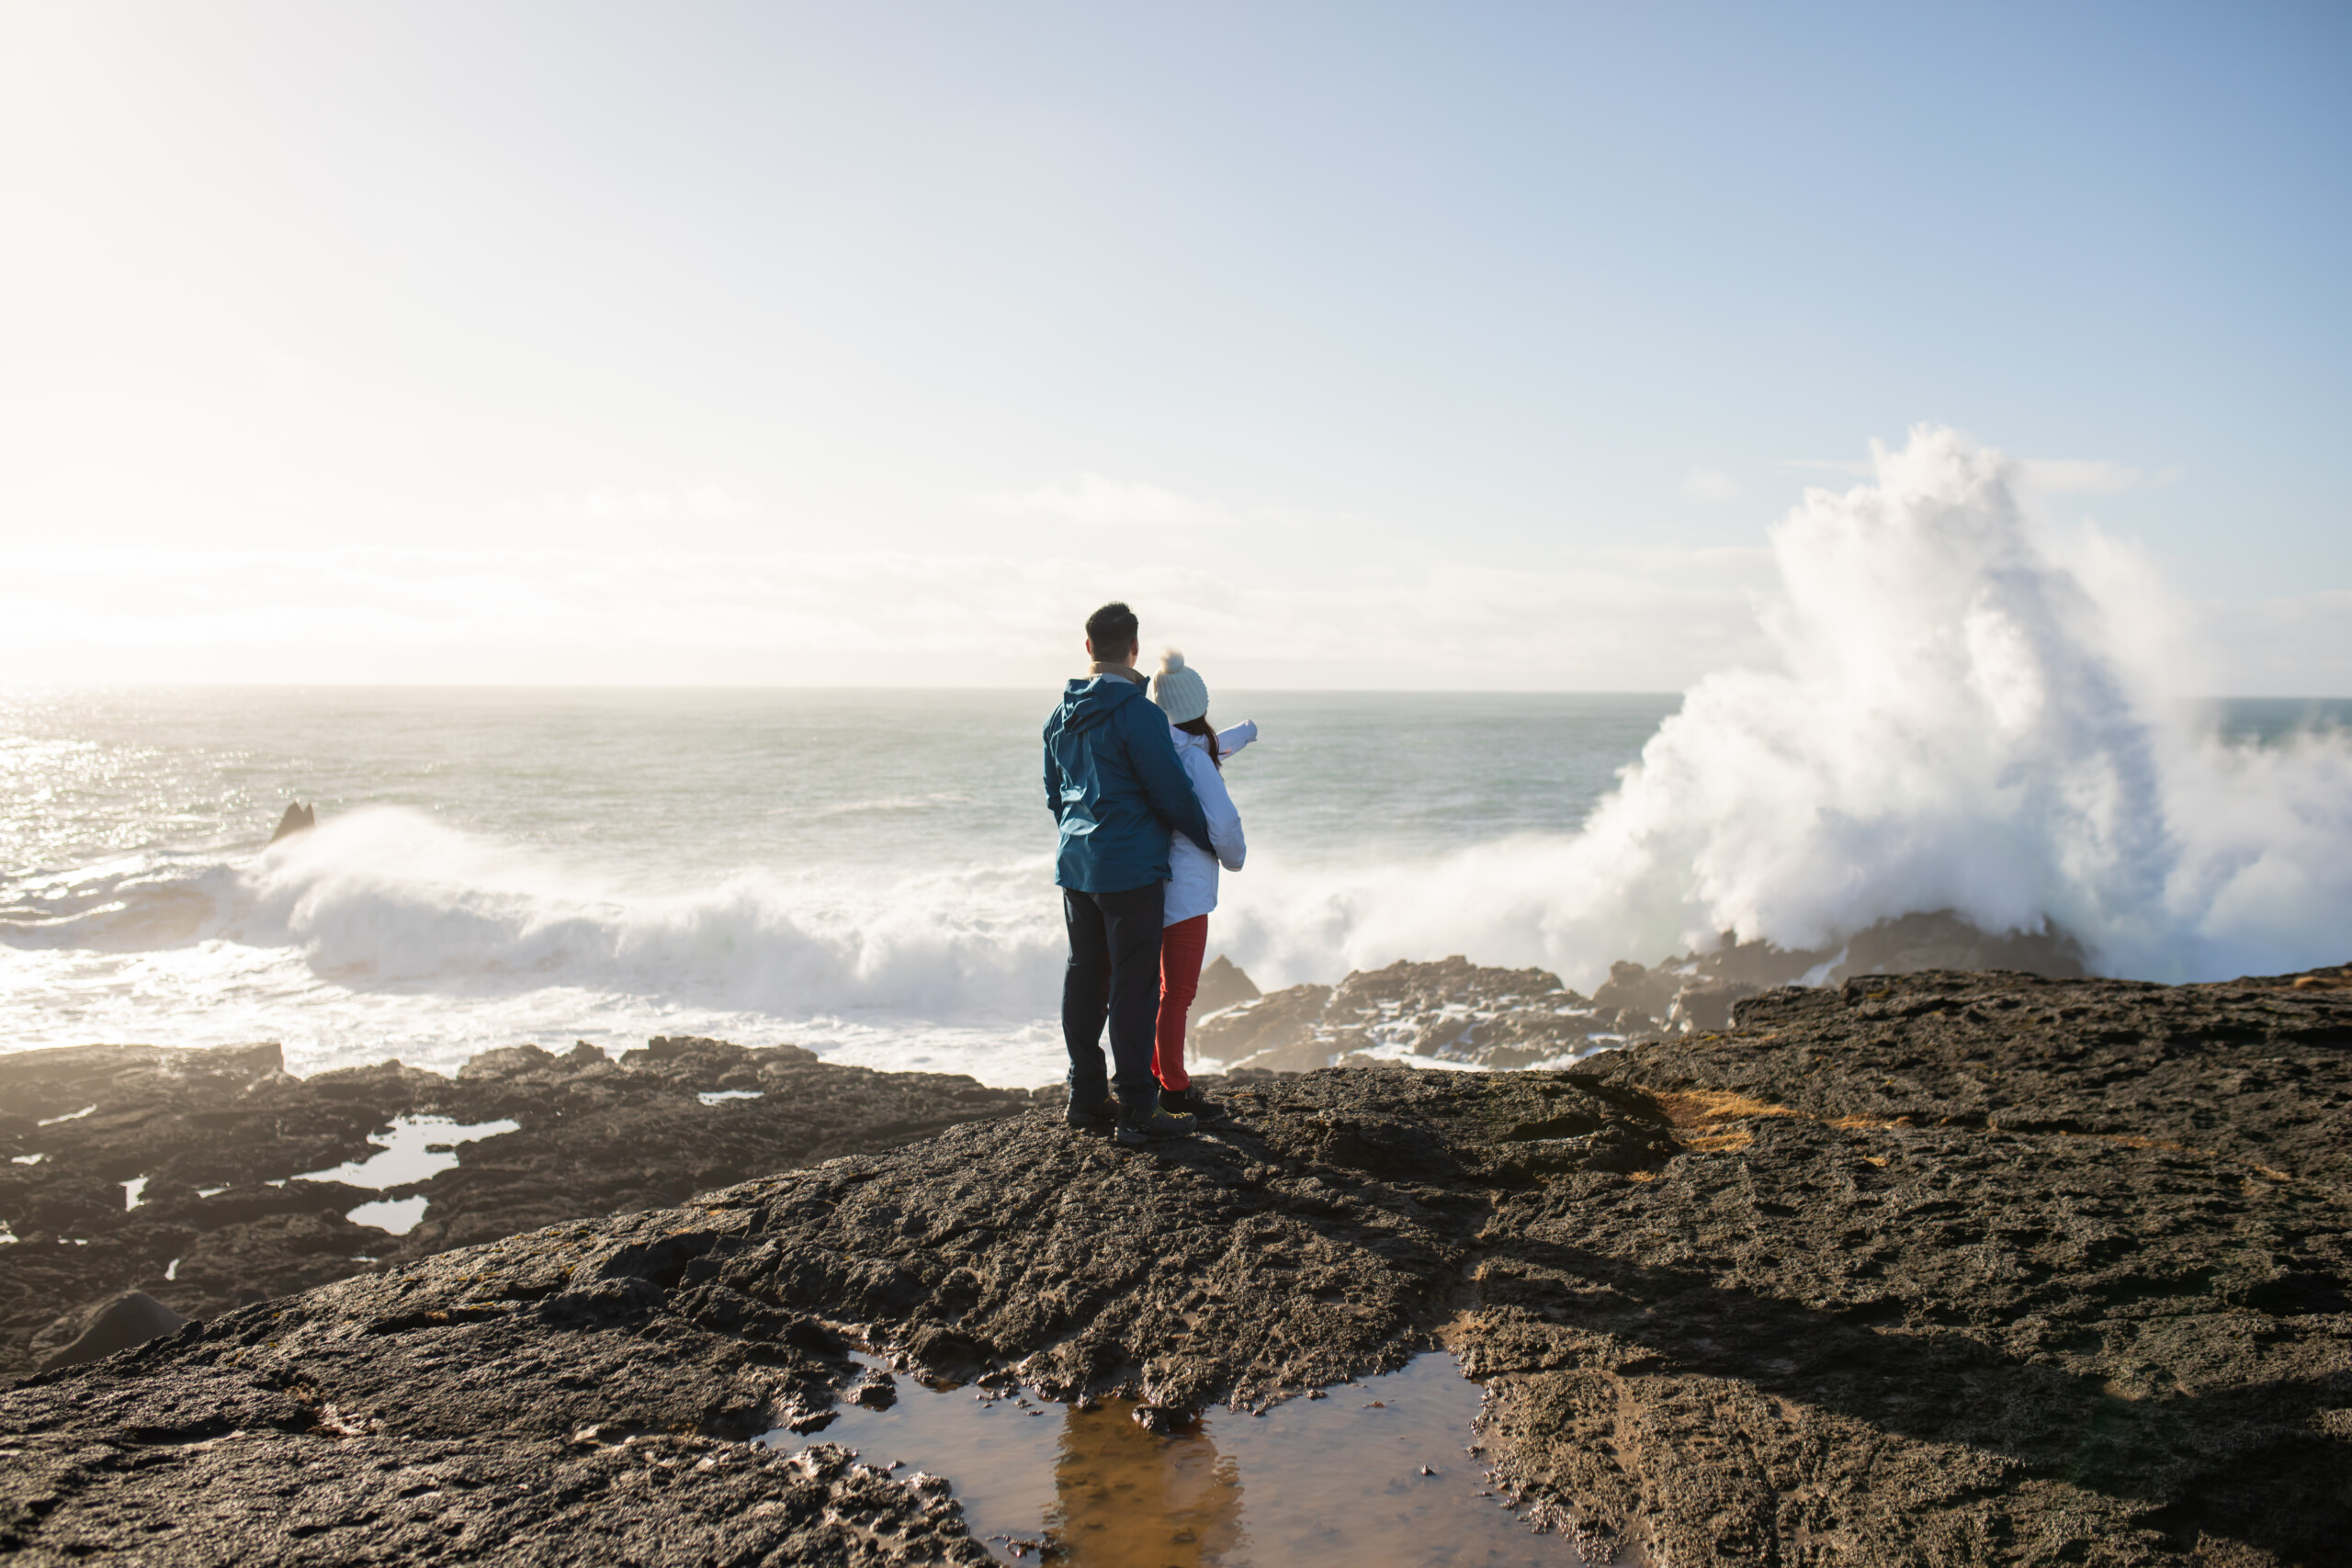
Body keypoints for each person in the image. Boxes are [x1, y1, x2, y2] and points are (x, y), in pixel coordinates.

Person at [1043, 603, 1216, 1146]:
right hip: (1131, 870)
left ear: (1088, 648)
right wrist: (1208, 840)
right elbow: (1171, 793)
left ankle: (1085, 1094)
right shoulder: (1140, 716)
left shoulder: (1060, 716)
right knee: (1135, 985)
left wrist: (1081, 837)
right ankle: (1139, 1106)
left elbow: (1056, 795)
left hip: (1077, 867)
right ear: (1134, 650)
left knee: (1085, 974)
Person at [1146, 650, 1252, 1121]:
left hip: (1146, 884)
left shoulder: (1153, 746)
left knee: (1150, 989)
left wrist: (1246, 731)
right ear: (1198, 708)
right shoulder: (1196, 758)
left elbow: (1206, 747)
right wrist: (1235, 861)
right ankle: (1174, 1088)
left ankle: (1147, 1074)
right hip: (1186, 895)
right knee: (1179, 993)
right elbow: (1224, 823)